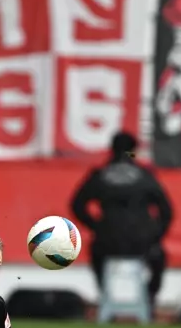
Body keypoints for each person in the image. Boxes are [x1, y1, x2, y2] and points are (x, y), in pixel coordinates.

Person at [71, 131, 173, 313]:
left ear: (111, 150)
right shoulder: (145, 176)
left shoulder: (100, 175)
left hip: (107, 242)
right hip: (142, 243)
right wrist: (155, 236)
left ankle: (105, 294)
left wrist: (96, 227)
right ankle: (149, 297)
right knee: (159, 257)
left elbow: (77, 205)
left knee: (95, 253)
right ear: (134, 151)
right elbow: (167, 211)